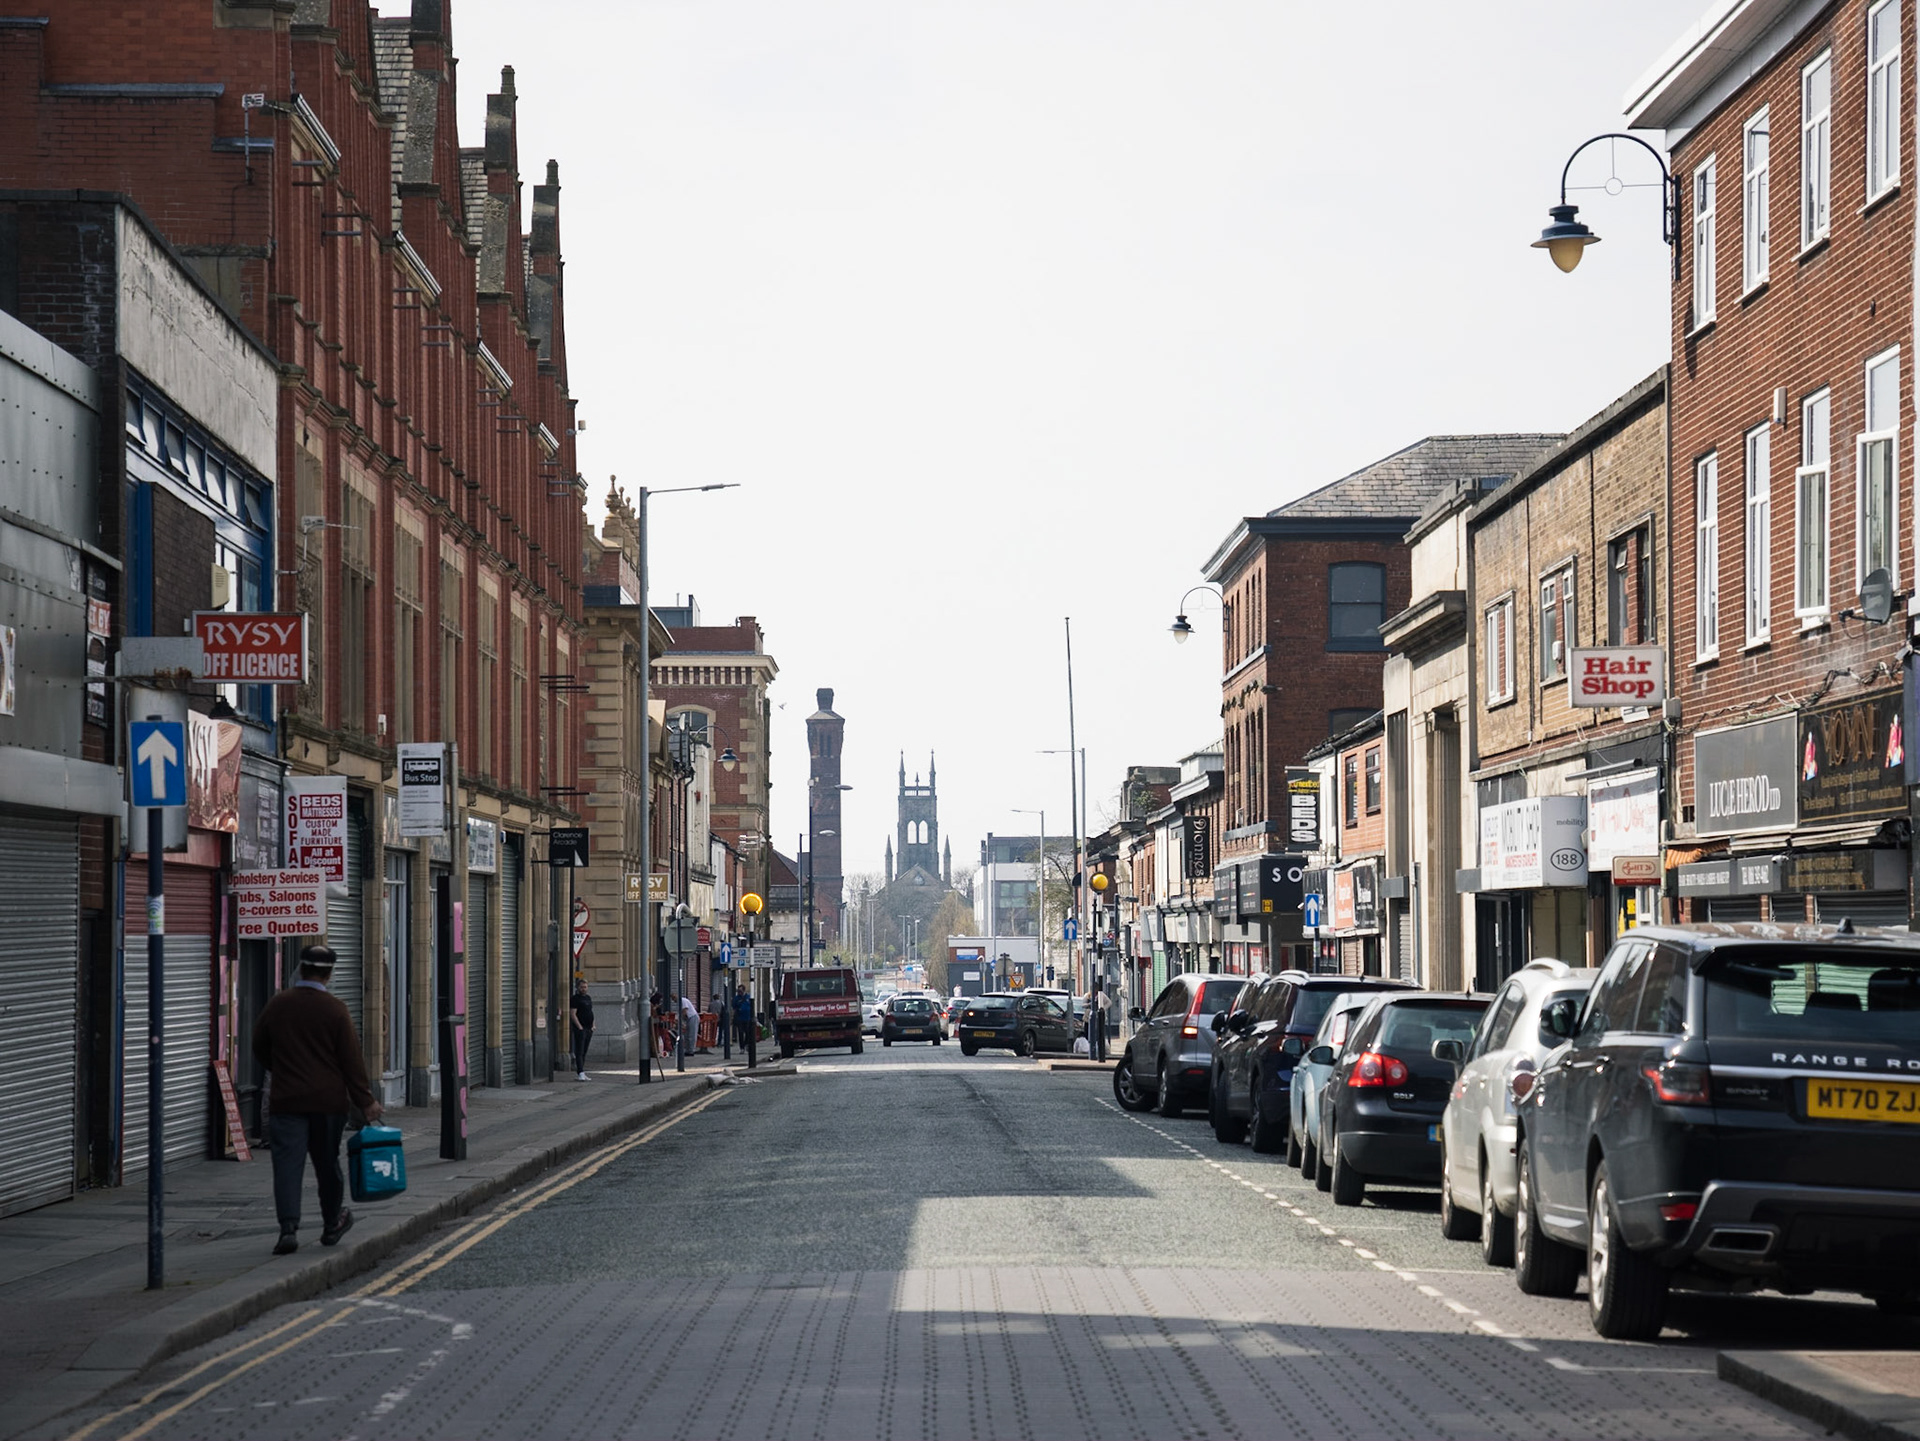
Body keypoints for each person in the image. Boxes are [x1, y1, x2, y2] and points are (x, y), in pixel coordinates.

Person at [253, 943, 382, 1256]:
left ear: (301, 968)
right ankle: (331, 1224)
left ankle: (288, 1229)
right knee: (327, 1165)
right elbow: (352, 1061)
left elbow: (258, 1046)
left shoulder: (278, 1004)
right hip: (327, 1104)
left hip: (286, 1102)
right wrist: (366, 1101)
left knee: (287, 1166)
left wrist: (283, 1070)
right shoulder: (336, 1010)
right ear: (329, 973)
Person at [569, 975, 594, 1081]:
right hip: (581, 1028)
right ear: (577, 988)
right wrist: (579, 1027)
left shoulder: (588, 998)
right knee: (579, 1051)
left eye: (585, 987)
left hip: (589, 1028)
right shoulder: (575, 999)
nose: (583, 989)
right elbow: (573, 1013)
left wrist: (593, 1025)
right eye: (582, 987)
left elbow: (590, 1012)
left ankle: (582, 1071)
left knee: (584, 1051)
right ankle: (580, 1072)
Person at [734, 987, 756, 1068]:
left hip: (748, 1018)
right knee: (740, 1033)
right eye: (738, 991)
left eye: (740, 991)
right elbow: (734, 1006)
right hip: (740, 1018)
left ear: (744, 990)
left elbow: (752, 1006)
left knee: (747, 1032)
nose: (739, 992)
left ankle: (746, 1044)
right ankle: (742, 1048)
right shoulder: (736, 998)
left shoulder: (749, 997)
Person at [680, 991, 700, 1057]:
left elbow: (685, 1011)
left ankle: (691, 1051)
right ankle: (688, 1050)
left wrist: (683, 1022)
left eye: (673, 997)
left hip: (692, 1017)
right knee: (687, 1035)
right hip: (689, 1018)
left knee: (691, 1034)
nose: (673, 1000)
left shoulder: (683, 1000)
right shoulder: (681, 1001)